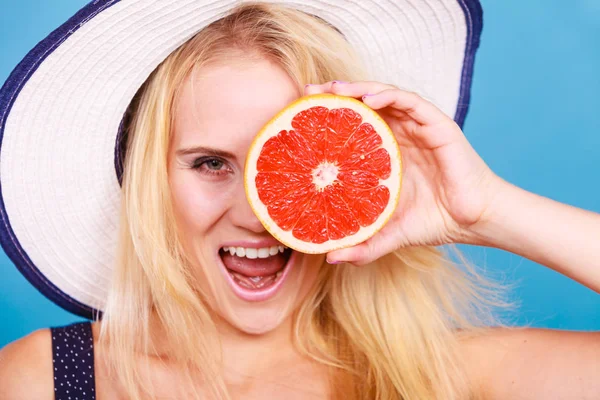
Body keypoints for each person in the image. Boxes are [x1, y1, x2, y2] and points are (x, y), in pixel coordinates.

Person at [0, 1, 598, 399]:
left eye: (293, 168)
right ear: (148, 183)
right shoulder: (46, 379)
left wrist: (487, 211)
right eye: (211, 164)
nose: (258, 213)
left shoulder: (443, 376)